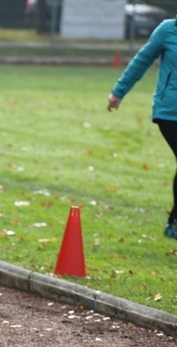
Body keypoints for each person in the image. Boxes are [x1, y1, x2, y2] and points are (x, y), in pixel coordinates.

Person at [108, 18, 177, 240]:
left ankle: (173, 221)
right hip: (169, 111)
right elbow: (142, 60)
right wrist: (119, 91)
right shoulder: (168, 30)